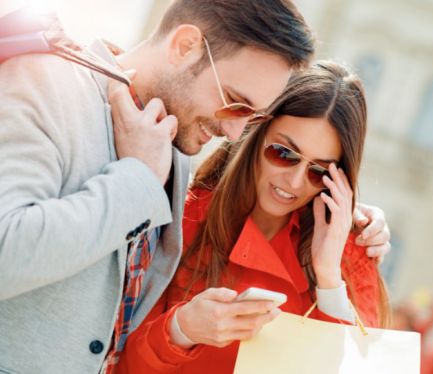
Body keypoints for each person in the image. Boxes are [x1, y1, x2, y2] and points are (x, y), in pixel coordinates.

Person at [0, 1, 390, 373]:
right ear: (185, 46)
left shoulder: (175, 149)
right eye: (236, 103)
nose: (234, 131)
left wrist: (335, 265)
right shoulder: (45, 84)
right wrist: (137, 179)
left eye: (250, 117)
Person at [115, 61, 391, 373]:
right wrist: (181, 330)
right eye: (284, 154)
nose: (296, 182)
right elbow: (116, 362)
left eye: (319, 171)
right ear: (254, 133)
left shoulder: (351, 251)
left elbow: (360, 365)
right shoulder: (184, 217)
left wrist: (328, 276)